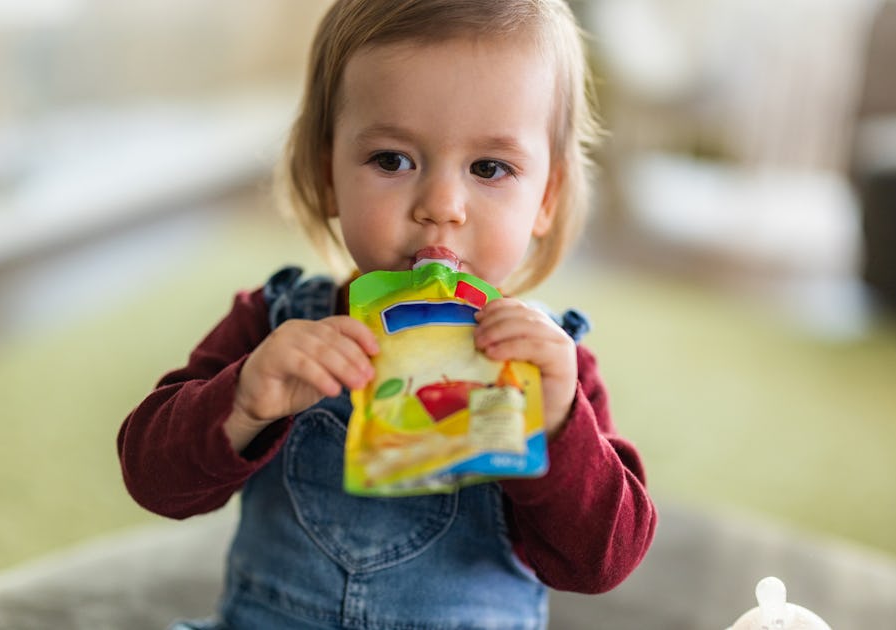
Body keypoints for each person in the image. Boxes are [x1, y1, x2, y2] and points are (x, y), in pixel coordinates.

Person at [117, 1, 657, 627]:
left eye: (490, 168)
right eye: (393, 160)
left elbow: (601, 563)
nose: (442, 206)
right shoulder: (276, 325)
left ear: (546, 198)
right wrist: (240, 401)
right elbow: (150, 478)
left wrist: (560, 424)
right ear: (327, 174)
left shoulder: (551, 365)